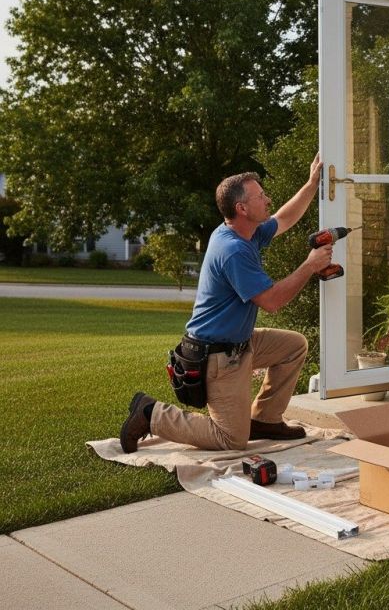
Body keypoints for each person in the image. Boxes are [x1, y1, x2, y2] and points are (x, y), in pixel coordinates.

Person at [120, 156, 332, 452]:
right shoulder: (232, 250)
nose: (268, 199)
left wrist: (311, 184)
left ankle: (266, 420)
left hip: (240, 343)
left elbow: (284, 218)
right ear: (241, 208)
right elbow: (271, 301)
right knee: (231, 439)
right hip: (217, 358)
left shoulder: (247, 231)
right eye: (261, 196)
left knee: (293, 345)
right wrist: (309, 266)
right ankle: (151, 413)